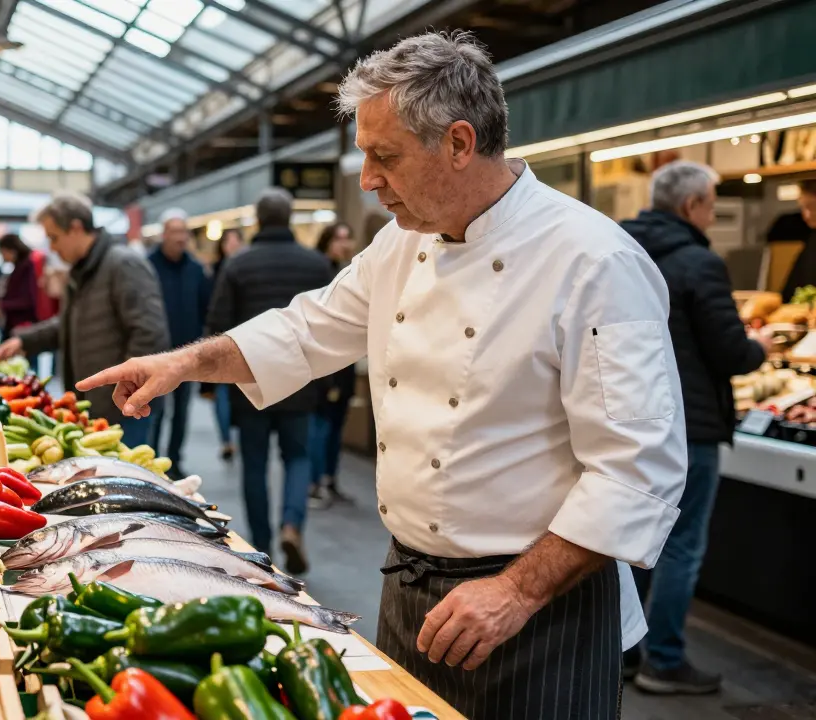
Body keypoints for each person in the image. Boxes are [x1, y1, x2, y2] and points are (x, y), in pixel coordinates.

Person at [77, 31, 686, 718]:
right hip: (410, 587)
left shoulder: (594, 261)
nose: (367, 180)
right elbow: (306, 330)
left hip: (540, 609)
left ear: (459, 143)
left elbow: (636, 468)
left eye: (384, 157)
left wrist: (516, 592)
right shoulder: (400, 243)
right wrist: (185, 362)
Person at [620, 161, 769, 694]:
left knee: (637, 540)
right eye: (710, 203)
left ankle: (625, 652)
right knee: (681, 545)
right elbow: (730, 351)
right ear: (691, 206)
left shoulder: (623, 249)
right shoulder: (699, 262)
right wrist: (760, 348)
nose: (711, 213)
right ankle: (664, 660)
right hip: (693, 427)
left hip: (637, 419)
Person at [205, 188, 331, 575]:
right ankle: (292, 524)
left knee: (255, 464)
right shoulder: (316, 265)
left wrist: (212, 381)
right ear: (289, 217)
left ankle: (261, 544)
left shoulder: (238, 265)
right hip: (301, 379)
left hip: (252, 381)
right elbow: (331, 327)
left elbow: (218, 324)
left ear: (258, 220)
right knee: (297, 457)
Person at [0, 192, 169, 445]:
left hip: (125, 408)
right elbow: (67, 323)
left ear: (75, 228)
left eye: (54, 238)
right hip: (95, 403)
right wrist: (24, 341)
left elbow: (149, 333)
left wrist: (128, 391)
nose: (52, 248)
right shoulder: (81, 271)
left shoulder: (123, 264)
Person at [148, 209, 212, 478]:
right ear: (163, 234)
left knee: (181, 411)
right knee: (155, 410)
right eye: (174, 231)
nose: (180, 237)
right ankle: (150, 460)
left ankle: (174, 460)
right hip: (155, 354)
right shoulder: (148, 266)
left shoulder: (196, 270)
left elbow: (206, 309)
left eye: (183, 231)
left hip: (187, 354)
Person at [309, 222, 358, 507]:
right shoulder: (320, 271)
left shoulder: (347, 270)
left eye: (348, 238)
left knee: (335, 426)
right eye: (339, 238)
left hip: (344, 363)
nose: (344, 244)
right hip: (324, 363)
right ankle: (315, 483)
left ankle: (329, 479)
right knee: (321, 426)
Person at [207, 228, 245, 461]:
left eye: (235, 241)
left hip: (244, 341)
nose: (232, 245)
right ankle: (226, 440)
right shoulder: (214, 271)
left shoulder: (244, 268)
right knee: (222, 395)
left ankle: (237, 439)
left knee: (243, 394)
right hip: (222, 342)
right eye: (228, 241)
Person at [0, 234, 39, 337]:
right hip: (15, 325)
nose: (2, 257)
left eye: (3, 252)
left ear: (11, 250)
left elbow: (27, 300)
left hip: (23, 326)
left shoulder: (26, 267)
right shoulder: (19, 267)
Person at [780, 179, 816, 301]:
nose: (806, 215)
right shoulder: (812, 240)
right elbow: (791, 292)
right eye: (803, 208)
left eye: (812, 207)